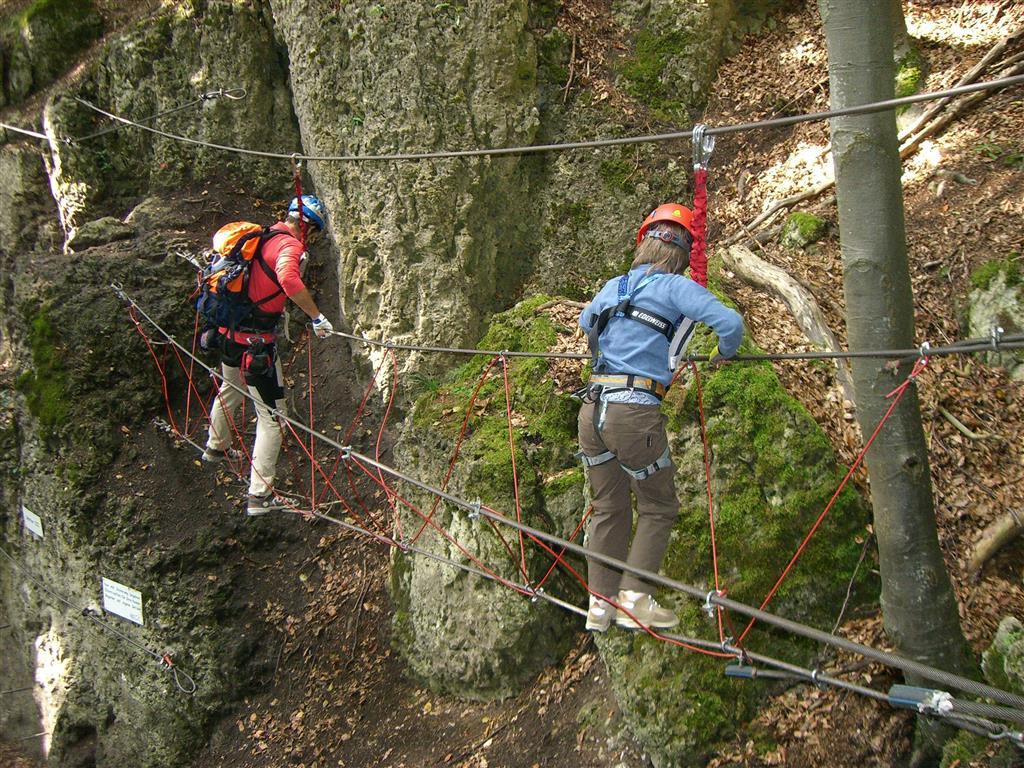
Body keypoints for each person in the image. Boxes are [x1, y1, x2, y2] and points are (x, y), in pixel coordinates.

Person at [577, 202, 744, 632]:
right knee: (659, 505)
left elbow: (585, 322)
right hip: (634, 414)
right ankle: (635, 598)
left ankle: (600, 604)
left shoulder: (614, 286)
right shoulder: (676, 287)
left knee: (608, 506)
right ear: (684, 253)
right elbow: (730, 324)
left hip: (592, 410)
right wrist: (724, 354)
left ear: (643, 243)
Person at [202, 195, 335, 516]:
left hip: (228, 334)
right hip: (256, 345)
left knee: (230, 389)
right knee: (273, 418)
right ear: (310, 229)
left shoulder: (261, 235)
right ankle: (260, 496)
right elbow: (289, 279)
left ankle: (215, 448)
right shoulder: (290, 246)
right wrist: (316, 317)